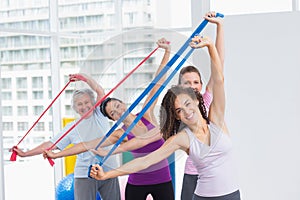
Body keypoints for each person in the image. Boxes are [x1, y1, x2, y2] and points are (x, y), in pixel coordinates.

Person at [89, 35, 241, 200]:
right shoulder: (183, 139)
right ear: (177, 116)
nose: (187, 111)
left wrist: (210, 46)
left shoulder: (216, 120)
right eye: (179, 110)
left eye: (187, 104)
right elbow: (145, 161)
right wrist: (108, 174)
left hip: (232, 195)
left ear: (196, 100)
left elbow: (219, 79)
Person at [44, 38, 175, 200]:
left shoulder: (146, 114)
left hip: (163, 181)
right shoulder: (120, 134)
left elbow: (158, 82)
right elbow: (85, 145)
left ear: (123, 104)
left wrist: (167, 51)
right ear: (113, 119)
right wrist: (57, 155)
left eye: (117, 106)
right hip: (137, 184)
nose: (118, 112)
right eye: (113, 113)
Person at [12, 73, 121, 200]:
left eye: (87, 102)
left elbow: (99, 90)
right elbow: (50, 145)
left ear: (93, 102)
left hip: (108, 169)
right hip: (85, 174)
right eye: (79, 104)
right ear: (75, 108)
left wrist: (83, 78)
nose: (84, 106)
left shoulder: (100, 114)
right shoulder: (72, 127)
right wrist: (25, 154)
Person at [178, 11, 225, 200]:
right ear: (180, 86)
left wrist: (219, 27)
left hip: (215, 171)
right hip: (192, 173)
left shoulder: (206, 99)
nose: (192, 86)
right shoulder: (176, 110)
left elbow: (219, 65)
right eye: (187, 83)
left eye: (196, 82)